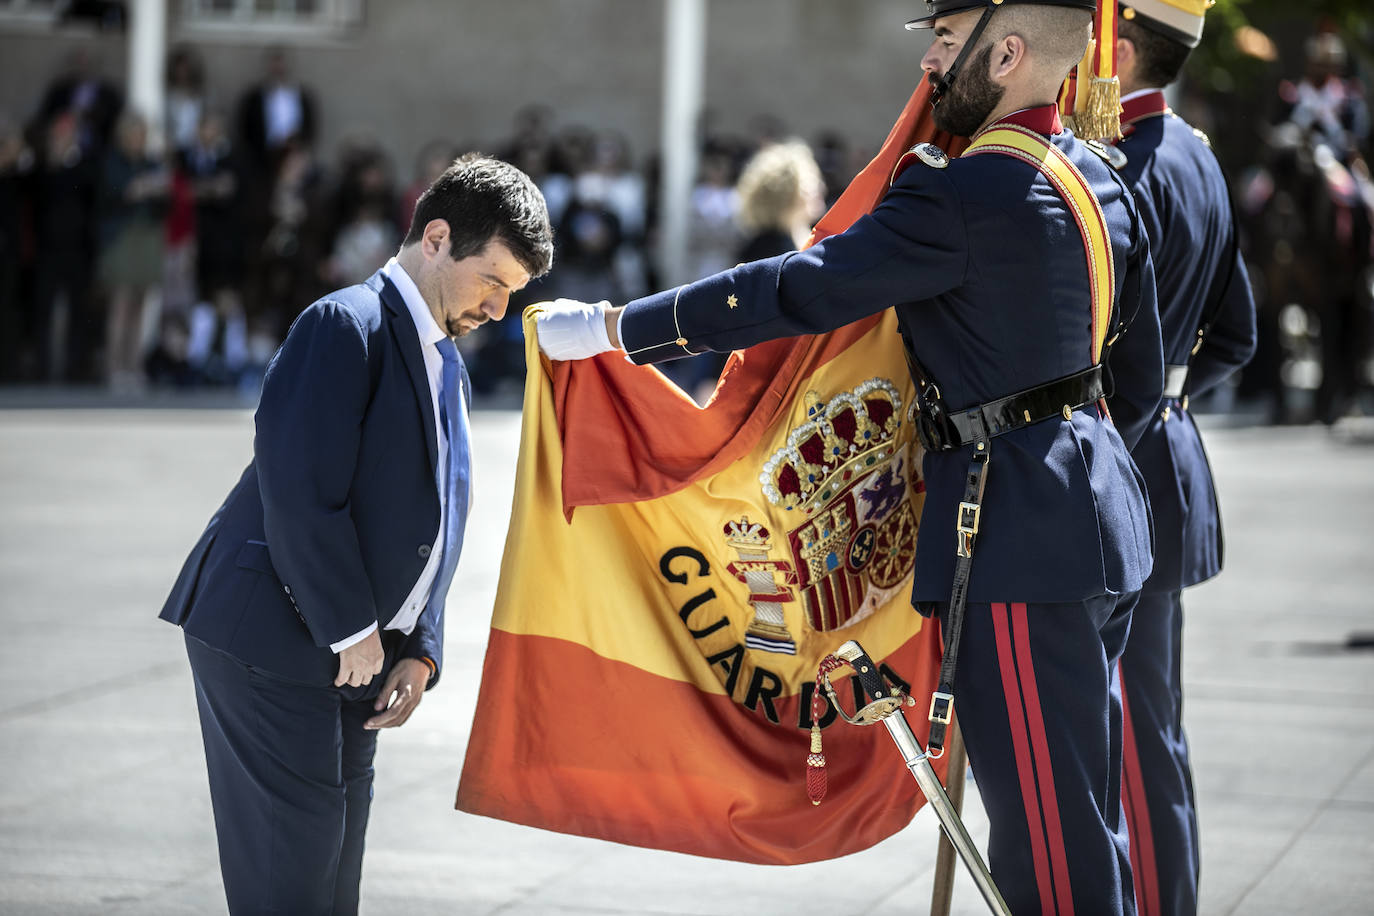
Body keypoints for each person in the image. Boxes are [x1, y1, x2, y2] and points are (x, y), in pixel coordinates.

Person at [535, 1, 1163, 912]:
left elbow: (799, 288)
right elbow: (1131, 371)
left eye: (948, 45)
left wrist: (619, 328)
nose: (931, 67)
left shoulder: (958, 192)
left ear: (1009, 52)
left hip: (1017, 537)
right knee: (1084, 816)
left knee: (1051, 850)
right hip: (1100, 519)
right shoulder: (1101, 176)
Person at [158, 154, 553, 915]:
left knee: (332, 881)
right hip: (270, 637)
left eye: (513, 292)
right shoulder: (345, 324)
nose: (500, 309)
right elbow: (301, 495)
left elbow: (439, 510)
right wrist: (352, 630)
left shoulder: (442, 357)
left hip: (357, 652)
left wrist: (421, 645)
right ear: (436, 237)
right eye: (494, 281)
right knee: (292, 880)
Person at [1109, 4, 1257, 913]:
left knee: (1129, 732)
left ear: (1114, 49)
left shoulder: (1120, 166)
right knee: (1151, 727)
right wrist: (1170, 396)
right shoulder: (1198, 155)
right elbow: (1236, 335)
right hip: (1165, 455)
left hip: (1118, 474)